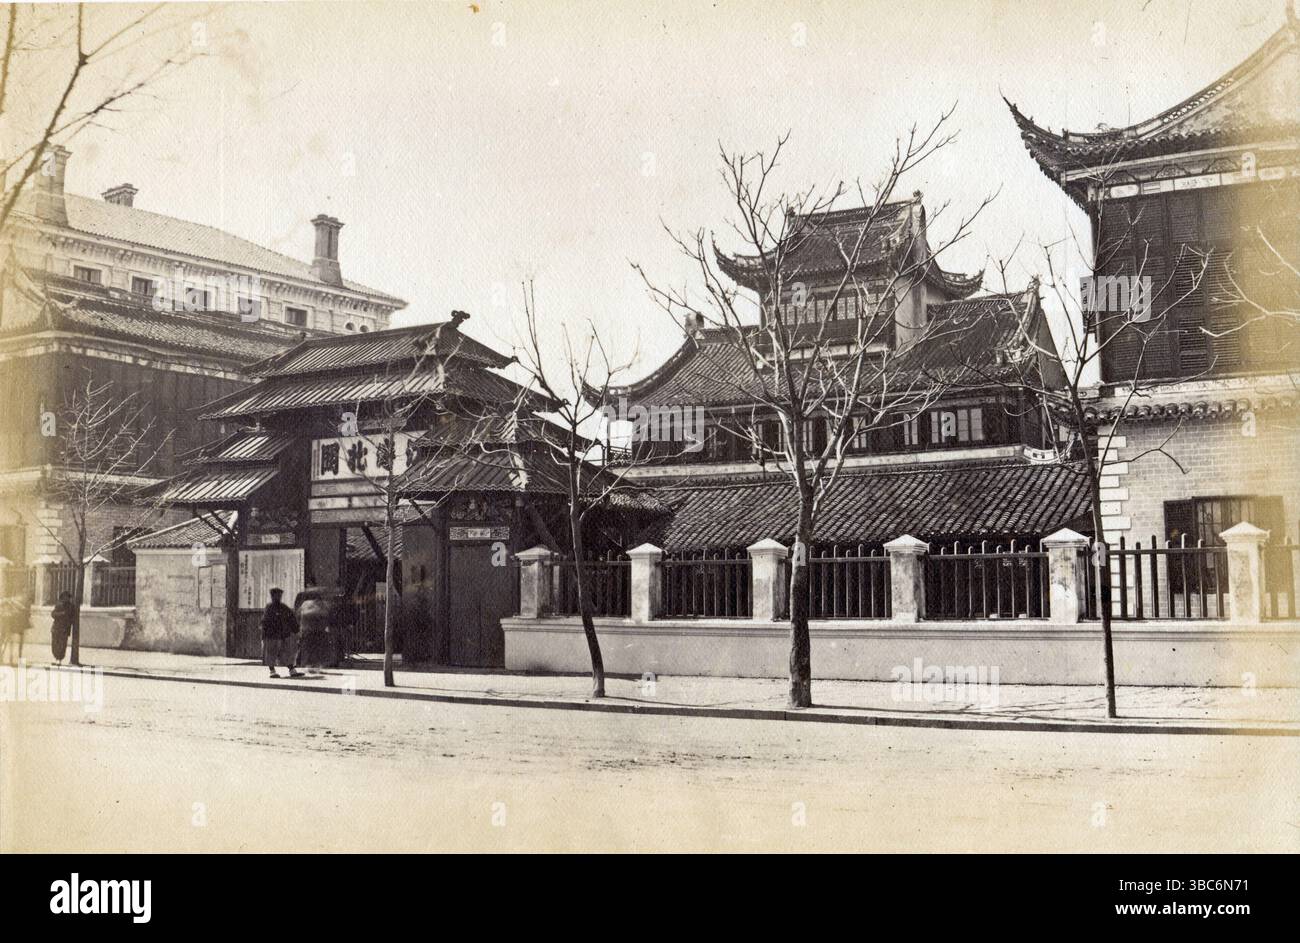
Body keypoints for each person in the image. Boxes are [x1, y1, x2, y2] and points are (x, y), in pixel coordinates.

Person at [260, 587, 302, 679]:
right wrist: (263, 636)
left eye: (279, 595)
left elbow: (292, 618)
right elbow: (264, 622)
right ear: (272, 596)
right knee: (271, 653)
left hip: (282, 635)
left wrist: (296, 630)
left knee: (286, 653)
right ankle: (272, 671)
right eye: (275, 595)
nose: (277, 597)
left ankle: (292, 670)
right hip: (271, 635)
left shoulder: (283, 607)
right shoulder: (269, 607)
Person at [50, 590, 74, 665]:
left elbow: (72, 617)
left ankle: (59, 659)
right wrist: (62, 614)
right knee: (54, 644)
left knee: (62, 645)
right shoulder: (58, 605)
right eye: (65, 597)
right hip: (56, 628)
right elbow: (53, 614)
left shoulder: (71, 606)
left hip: (64, 629)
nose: (66, 599)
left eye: (67, 597)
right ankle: (56, 658)